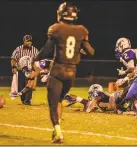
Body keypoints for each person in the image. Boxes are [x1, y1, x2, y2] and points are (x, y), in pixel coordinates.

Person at [34, 2, 95, 143]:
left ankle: (58, 132)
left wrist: (35, 58)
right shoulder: (81, 30)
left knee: (53, 104)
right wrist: (78, 50)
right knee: (60, 100)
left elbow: (46, 50)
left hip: (58, 70)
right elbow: (91, 52)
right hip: (71, 73)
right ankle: (57, 130)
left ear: (61, 13)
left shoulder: (57, 29)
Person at [11, 35, 39, 105]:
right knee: (21, 86)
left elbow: (37, 60)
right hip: (21, 70)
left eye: (30, 41)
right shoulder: (19, 49)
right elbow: (13, 58)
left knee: (29, 85)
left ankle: (27, 100)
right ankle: (23, 99)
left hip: (30, 71)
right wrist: (14, 66)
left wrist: (35, 71)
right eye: (27, 41)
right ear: (24, 41)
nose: (29, 42)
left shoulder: (34, 50)